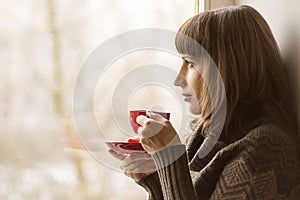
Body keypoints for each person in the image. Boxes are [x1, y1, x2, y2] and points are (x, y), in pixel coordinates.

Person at [109, 5, 300, 199]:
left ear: (226, 70)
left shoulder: (266, 150)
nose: (177, 79)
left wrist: (170, 157)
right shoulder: (204, 140)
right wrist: (156, 180)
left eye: (190, 63)